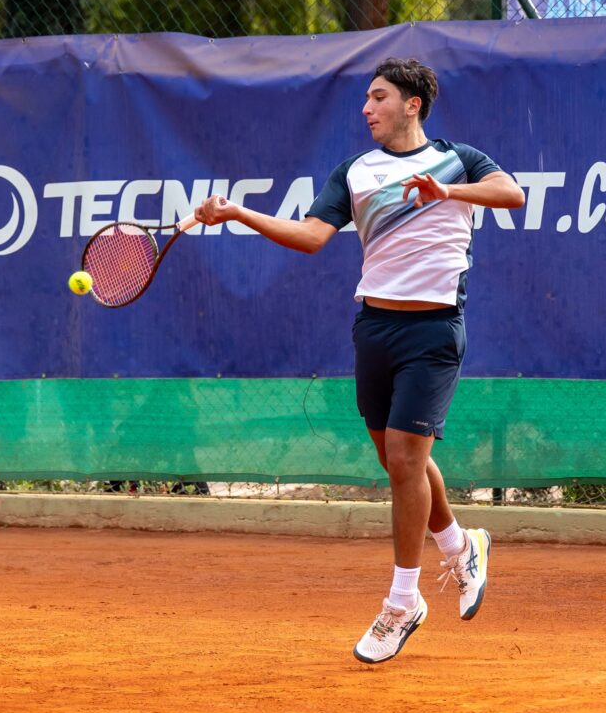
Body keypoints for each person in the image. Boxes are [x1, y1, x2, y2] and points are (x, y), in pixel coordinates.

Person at [194, 57, 525, 664]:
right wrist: (238, 213)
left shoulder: (460, 159)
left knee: (405, 456)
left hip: (434, 329)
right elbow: (313, 235)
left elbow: (513, 194)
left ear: (412, 104)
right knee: (398, 459)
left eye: (378, 97)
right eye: (366, 99)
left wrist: (447, 191)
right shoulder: (355, 171)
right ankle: (460, 546)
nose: (367, 109)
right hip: (374, 327)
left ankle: (403, 602)